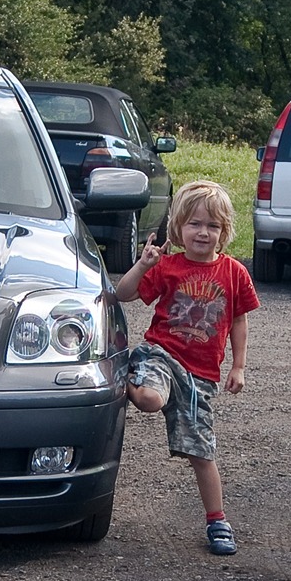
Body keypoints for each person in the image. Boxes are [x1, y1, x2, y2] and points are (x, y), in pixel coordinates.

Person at [115, 180, 260, 555]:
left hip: (201, 377)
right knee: (148, 398)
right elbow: (123, 294)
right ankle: (125, 373)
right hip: (161, 355)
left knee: (202, 451)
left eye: (212, 226)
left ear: (224, 232)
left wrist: (239, 366)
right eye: (195, 224)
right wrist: (143, 263)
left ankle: (218, 520)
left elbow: (240, 319)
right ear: (179, 228)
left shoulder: (234, 273)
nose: (203, 232)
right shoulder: (167, 267)